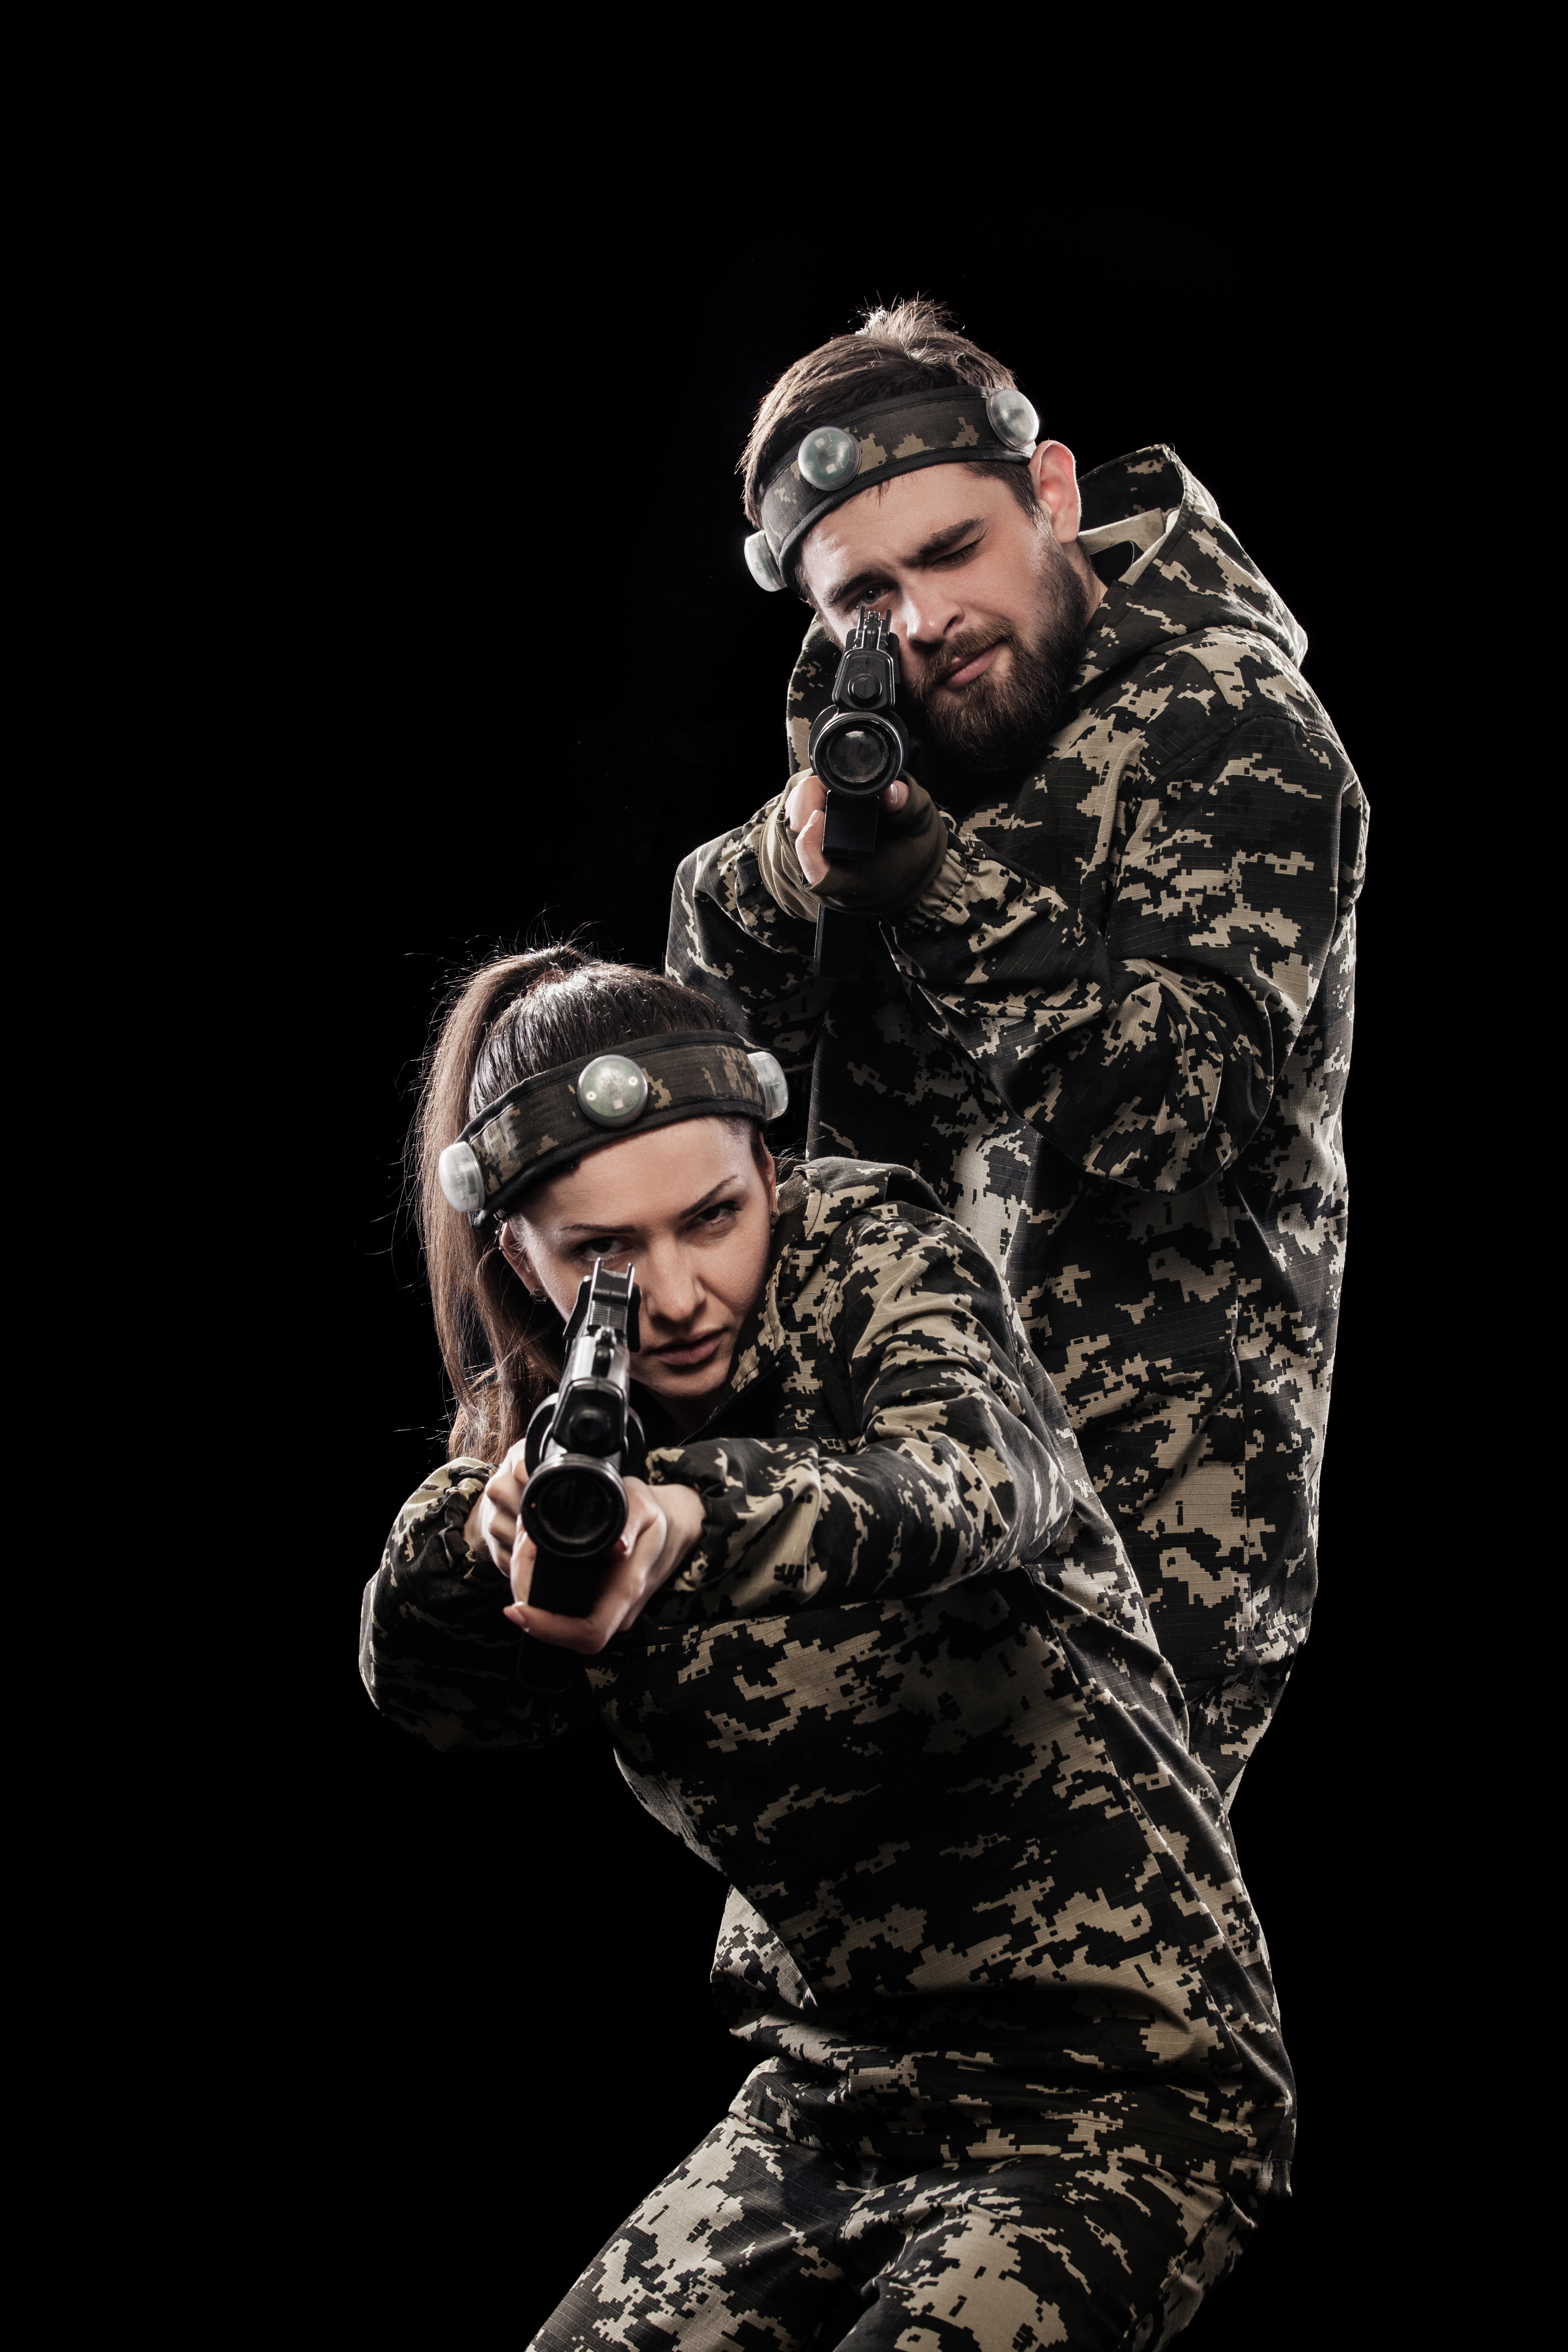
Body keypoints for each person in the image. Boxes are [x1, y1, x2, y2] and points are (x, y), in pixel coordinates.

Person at [362, 946, 1295, 2349]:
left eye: (715, 1216)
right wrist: (470, 1546)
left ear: (770, 1174)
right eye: (603, 1255)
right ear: (518, 1255)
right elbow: (442, 1701)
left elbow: (972, 1481)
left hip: (1118, 2089)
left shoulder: (877, 1260)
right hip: (831, 2094)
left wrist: (689, 1518)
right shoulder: (543, 1446)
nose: (673, 1296)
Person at [669, 299, 1368, 1802]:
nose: (922, 622)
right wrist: (781, 881)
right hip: (899, 1479)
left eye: (951, 552)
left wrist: (935, 892)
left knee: (1088, 2012)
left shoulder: (1234, 724)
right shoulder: (877, 735)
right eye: (863, 596)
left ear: (1051, 493)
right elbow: (720, 1076)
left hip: (1152, 1517)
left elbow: (1180, 1110)